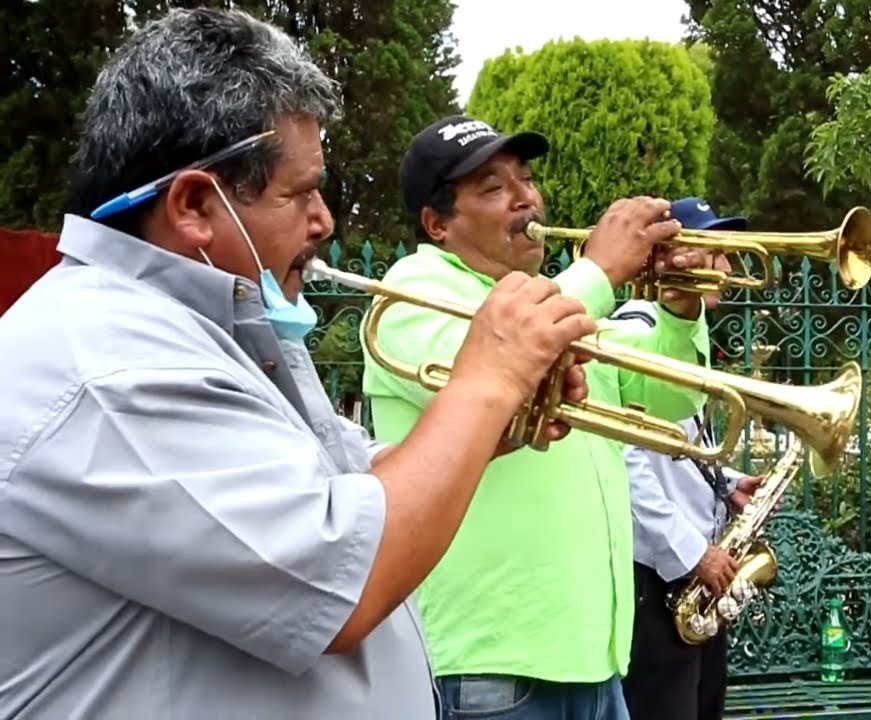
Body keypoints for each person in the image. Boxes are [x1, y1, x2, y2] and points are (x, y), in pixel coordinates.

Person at [0, 10, 595, 719]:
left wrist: (493, 427)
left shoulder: (205, 328)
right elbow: (346, 576)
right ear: (194, 204)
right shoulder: (107, 362)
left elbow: (348, 487)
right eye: (300, 192)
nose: (324, 222)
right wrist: (488, 382)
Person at [362, 114, 715, 719]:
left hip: (594, 656)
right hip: (491, 662)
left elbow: (667, 398)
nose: (526, 197)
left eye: (525, 178)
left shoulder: (555, 302)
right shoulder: (411, 290)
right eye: (494, 187)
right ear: (438, 223)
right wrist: (602, 270)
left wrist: (681, 311)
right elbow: (506, 375)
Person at [610, 197, 764, 720]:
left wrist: (728, 482)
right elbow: (627, 460)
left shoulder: (684, 335)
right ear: (673, 257)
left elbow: (678, 446)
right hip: (659, 572)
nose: (726, 266)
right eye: (713, 252)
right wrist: (693, 551)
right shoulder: (635, 330)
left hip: (693, 571)